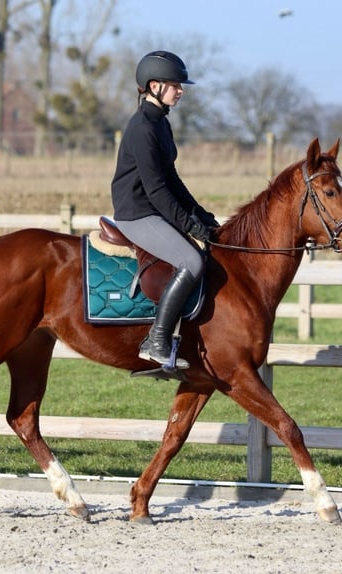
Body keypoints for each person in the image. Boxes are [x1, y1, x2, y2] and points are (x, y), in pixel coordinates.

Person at [110, 50, 219, 370]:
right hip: (137, 213)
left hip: (153, 209)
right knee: (191, 260)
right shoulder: (142, 127)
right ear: (154, 86)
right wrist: (189, 225)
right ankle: (156, 340)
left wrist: (201, 216)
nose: (181, 90)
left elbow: (172, 180)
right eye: (175, 84)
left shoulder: (160, 124)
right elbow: (157, 191)